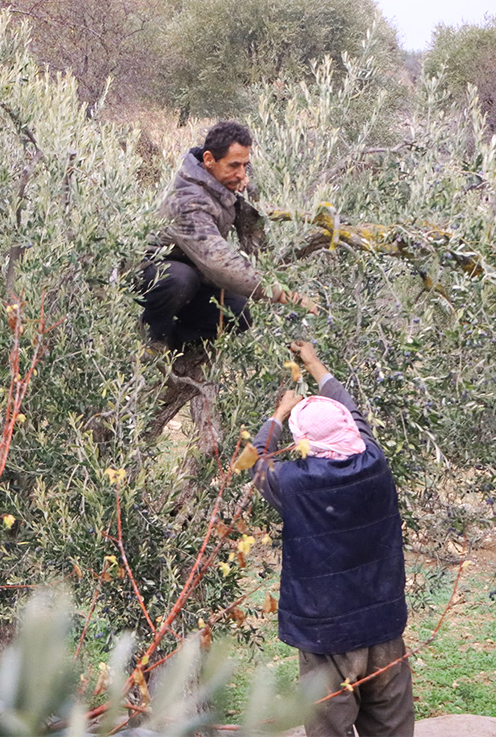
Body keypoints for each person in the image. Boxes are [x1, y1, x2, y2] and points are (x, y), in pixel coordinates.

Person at [250, 342, 414, 737]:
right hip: (383, 626)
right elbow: (351, 411)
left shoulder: (290, 483)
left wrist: (277, 416)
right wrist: (315, 364)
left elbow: (257, 464)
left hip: (326, 637)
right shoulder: (374, 460)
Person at [139, 121, 317, 350]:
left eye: (245, 165)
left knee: (238, 314)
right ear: (209, 159)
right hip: (154, 273)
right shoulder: (187, 200)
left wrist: (248, 199)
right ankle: (152, 337)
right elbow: (219, 262)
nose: (241, 173)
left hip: (197, 272)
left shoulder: (225, 182)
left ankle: (177, 345)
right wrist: (279, 292)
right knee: (180, 279)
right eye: (234, 165)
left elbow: (256, 246)